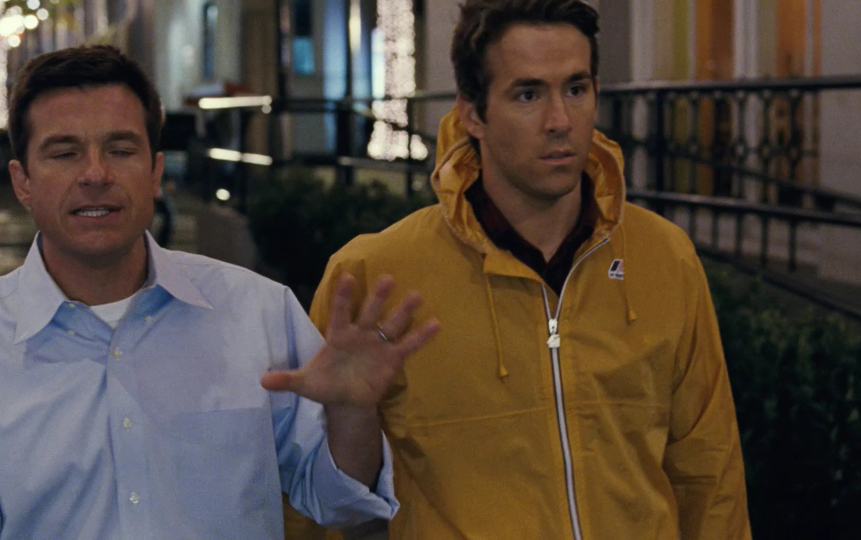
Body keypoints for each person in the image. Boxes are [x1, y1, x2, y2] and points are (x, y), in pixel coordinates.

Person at [0, 45, 439, 539]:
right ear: (22, 182)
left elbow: (343, 505)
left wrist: (352, 414)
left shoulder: (257, 312)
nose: (96, 174)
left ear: (155, 171)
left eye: (121, 149)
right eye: (64, 153)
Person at [302, 1, 752, 538]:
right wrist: (350, 419)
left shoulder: (664, 257)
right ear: (473, 113)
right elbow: (318, 512)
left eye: (576, 89)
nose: (560, 121)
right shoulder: (376, 276)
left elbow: (710, 475)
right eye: (528, 94)